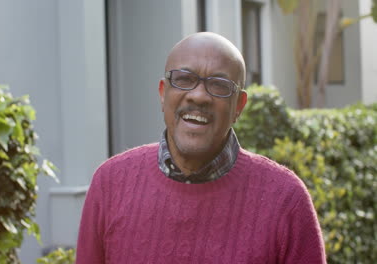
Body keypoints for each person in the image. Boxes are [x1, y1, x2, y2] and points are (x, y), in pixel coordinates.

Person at [76, 32, 326, 263]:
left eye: (219, 85)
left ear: (239, 105)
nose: (199, 96)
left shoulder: (285, 201)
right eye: (184, 79)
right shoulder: (110, 184)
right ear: (163, 93)